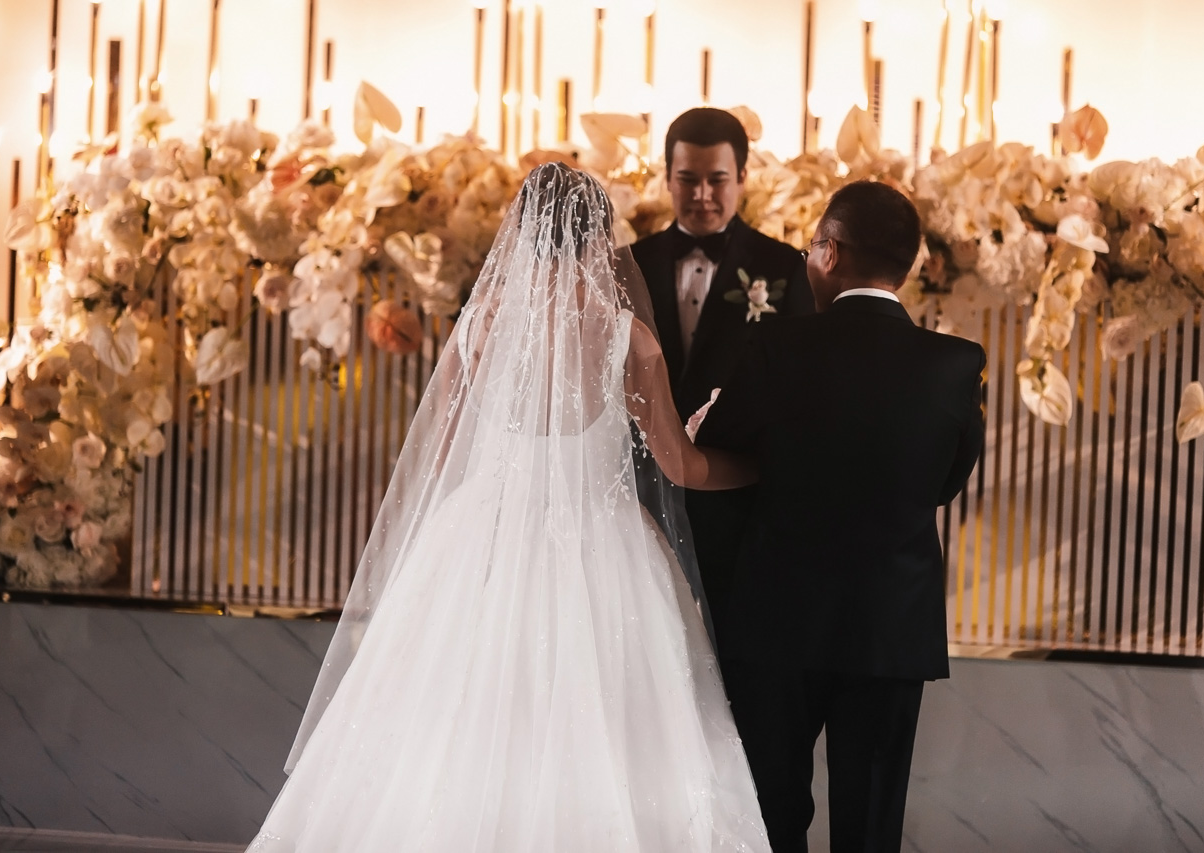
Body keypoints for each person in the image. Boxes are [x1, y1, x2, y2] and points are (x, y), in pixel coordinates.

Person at [245, 163, 770, 852]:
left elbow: (440, 462)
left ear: (520, 233)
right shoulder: (626, 337)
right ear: (599, 238)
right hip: (602, 550)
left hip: (479, 543)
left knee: (454, 727)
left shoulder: (478, 328)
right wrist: (758, 465)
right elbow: (682, 467)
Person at [694, 180, 987, 853]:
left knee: (772, 816)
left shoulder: (776, 347)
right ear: (905, 269)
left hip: (779, 621)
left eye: (811, 248)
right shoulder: (956, 363)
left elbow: (719, 453)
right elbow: (945, 483)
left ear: (830, 251)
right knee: (871, 824)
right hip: (890, 626)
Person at [631, 107, 814, 631]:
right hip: (640, 499)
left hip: (741, 502)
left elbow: (801, 388)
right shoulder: (626, 263)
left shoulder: (784, 267)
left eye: (717, 180)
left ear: (743, 178)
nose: (703, 195)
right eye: (688, 179)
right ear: (667, 177)